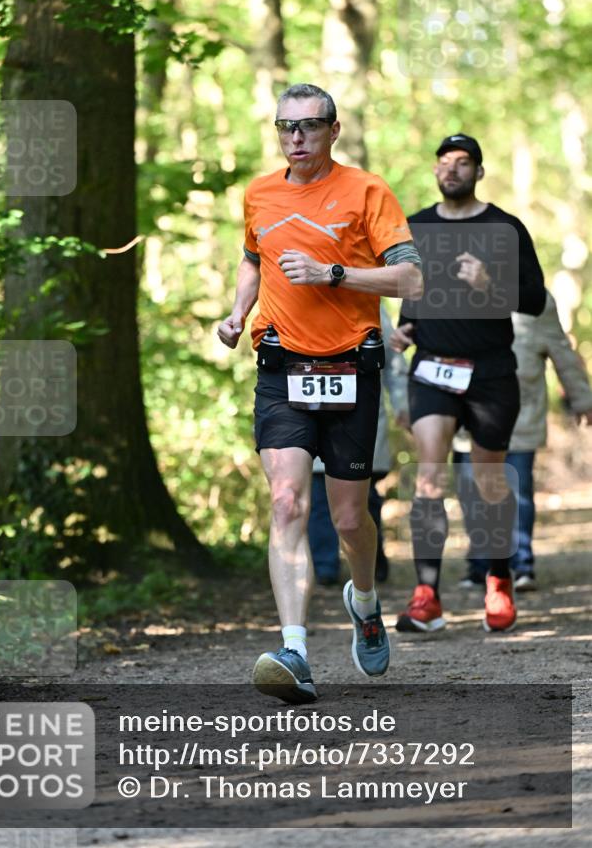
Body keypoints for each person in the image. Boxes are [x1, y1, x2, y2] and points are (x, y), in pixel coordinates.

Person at [217, 83, 423, 703]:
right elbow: (254, 258)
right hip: (282, 366)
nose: (296, 138)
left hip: (352, 367)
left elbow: (411, 276)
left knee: (349, 517)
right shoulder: (259, 193)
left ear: (333, 130)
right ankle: (295, 649)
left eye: (308, 126)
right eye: (286, 127)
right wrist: (236, 313)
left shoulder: (367, 191)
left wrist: (336, 273)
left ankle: (363, 601)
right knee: (286, 504)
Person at [390, 133, 546, 634]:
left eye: (462, 163)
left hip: (491, 370)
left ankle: (497, 580)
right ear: (435, 170)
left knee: (488, 483)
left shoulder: (505, 227)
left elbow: (534, 300)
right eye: (444, 162)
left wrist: (488, 285)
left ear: (479, 171)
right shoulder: (415, 226)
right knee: (430, 475)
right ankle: (426, 596)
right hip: (433, 365)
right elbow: (409, 293)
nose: (451, 170)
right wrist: (403, 327)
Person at [454, 290, 592, 591]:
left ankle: (521, 564)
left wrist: (582, 398)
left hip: (522, 415)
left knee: (518, 491)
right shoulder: (453, 290)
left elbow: (562, 351)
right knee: (472, 492)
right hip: (471, 416)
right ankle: (480, 564)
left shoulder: (537, 301)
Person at [308, 304, 410, 585]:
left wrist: (402, 404)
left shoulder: (370, 303)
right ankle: (325, 566)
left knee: (364, 498)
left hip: (362, 414)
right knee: (318, 498)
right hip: (313, 411)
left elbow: (393, 361)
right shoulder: (297, 300)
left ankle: (372, 561)